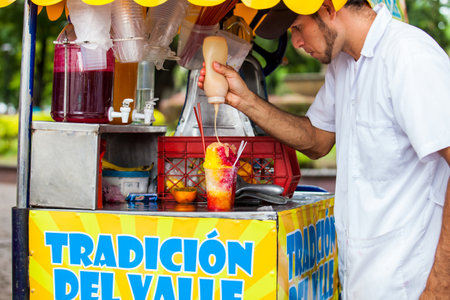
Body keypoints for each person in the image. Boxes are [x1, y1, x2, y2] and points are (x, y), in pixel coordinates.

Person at [198, 0, 450, 299]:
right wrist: (244, 101)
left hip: (413, 284)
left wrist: (440, 288)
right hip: (362, 281)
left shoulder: (409, 56)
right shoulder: (345, 64)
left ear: (329, 8)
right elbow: (317, 140)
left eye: (298, 28)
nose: (296, 42)